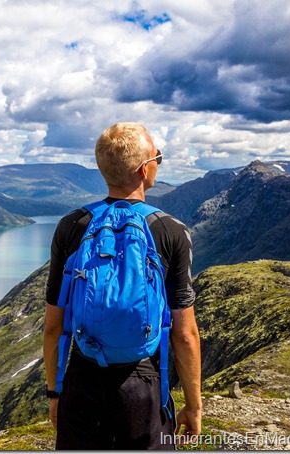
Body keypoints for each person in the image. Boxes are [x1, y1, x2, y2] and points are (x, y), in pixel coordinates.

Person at [43, 122, 201, 449]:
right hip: (144, 385)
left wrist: (55, 393)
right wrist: (193, 405)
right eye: (158, 156)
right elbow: (184, 333)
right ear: (145, 170)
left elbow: (53, 327)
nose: (159, 162)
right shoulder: (170, 230)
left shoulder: (72, 226)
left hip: (83, 379)